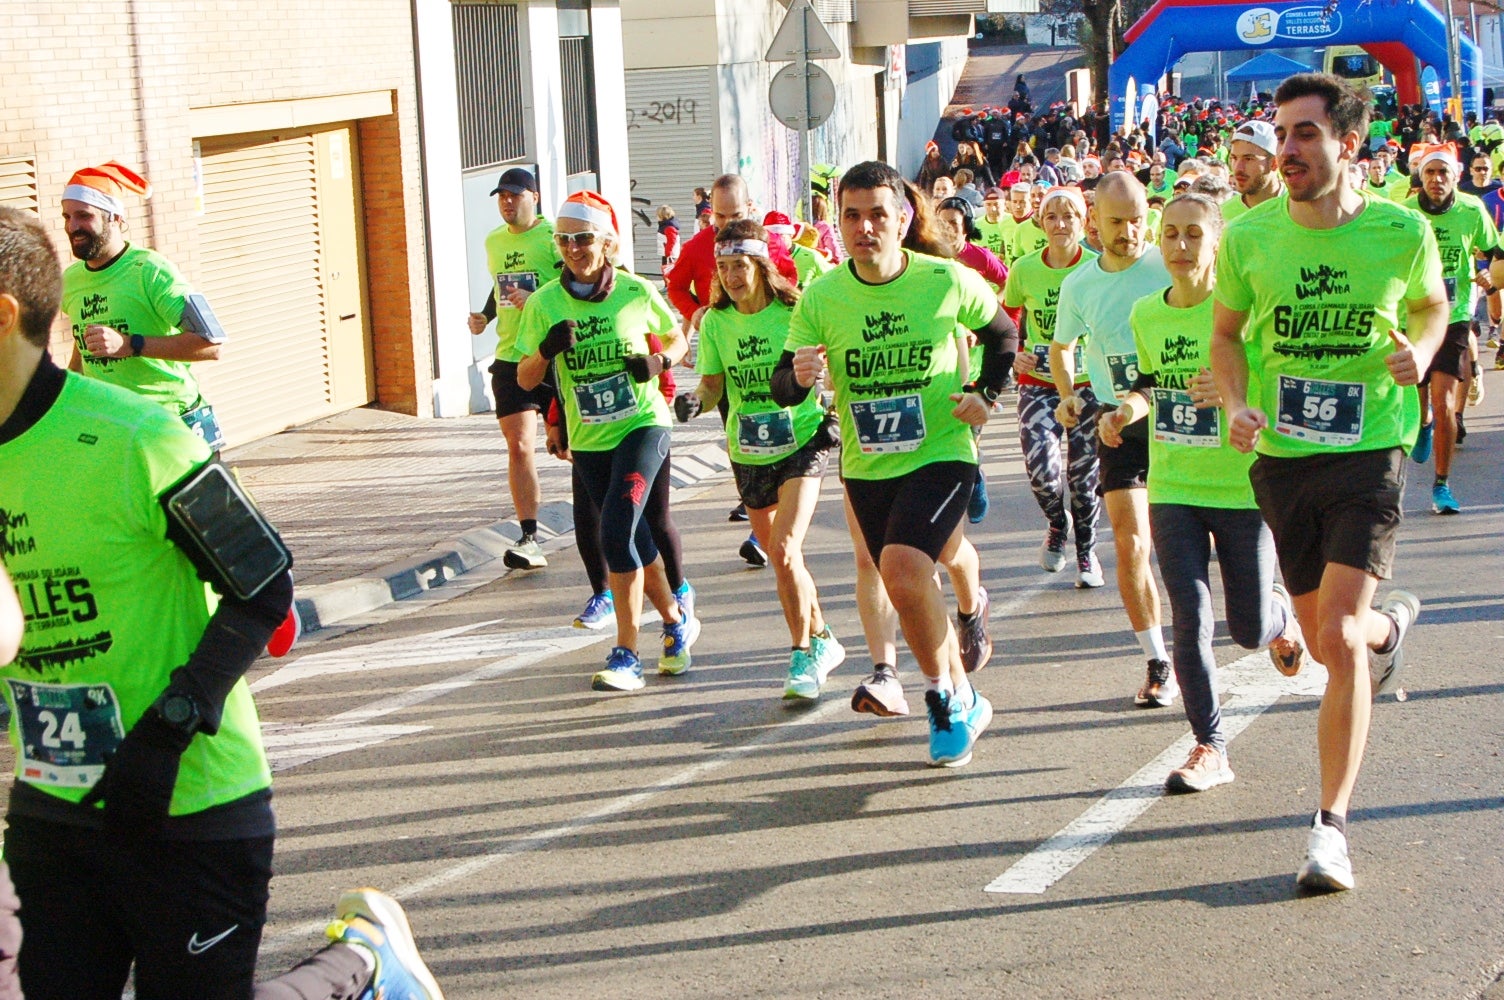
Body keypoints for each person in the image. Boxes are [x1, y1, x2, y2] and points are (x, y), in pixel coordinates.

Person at [0, 207, 443, 999]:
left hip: (189, 798)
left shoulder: (135, 436)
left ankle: (365, 968)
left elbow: (265, 584)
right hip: (52, 805)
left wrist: (169, 728)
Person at [1211, 73, 1444, 891]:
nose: (1287, 149)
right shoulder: (1248, 237)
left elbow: (1433, 306)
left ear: (1349, 143)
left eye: (1305, 134)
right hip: (1283, 454)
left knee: (1335, 638)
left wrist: (1423, 350)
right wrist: (1236, 403)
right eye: (1282, 134)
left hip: (1371, 446)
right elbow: (1227, 334)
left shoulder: (1401, 230)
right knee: (1323, 640)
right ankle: (1390, 632)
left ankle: (1330, 829)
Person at [772, 160, 1018, 767]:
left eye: (877, 215)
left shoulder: (944, 279)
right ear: (838, 223)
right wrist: (798, 377)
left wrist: (985, 394)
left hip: (942, 450)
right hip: (868, 463)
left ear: (903, 219)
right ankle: (965, 695)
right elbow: (784, 386)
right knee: (910, 587)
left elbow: (1003, 335)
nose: (864, 228)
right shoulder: (824, 296)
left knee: (904, 571)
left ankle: (940, 699)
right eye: (851, 216)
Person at [1100, 193, 1307, 794]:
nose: (1181, 245)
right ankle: (1210, 745)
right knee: (1189, 618)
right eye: (1171, 233)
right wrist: (1124, 413)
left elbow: (1277, 382)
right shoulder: (1146, 312)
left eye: (1194, 234)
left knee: (1248, 629)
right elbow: (1149, 383)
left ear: (1217, 242)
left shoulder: (1242, 313)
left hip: (1241, 487)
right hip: (1174, 487)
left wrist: (1234, 394)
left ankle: (1280, 616)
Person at [517, 192, 700, 691]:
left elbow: (678, 339)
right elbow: (526, 377)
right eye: (564, 240)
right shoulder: (544, 302)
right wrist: (546, 349)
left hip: (642, 423)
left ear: (607, 243)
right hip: (590, 436)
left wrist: (658, 362)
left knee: (615, 533)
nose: (574, 248)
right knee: (634, 540)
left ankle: (626, 654)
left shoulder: (636, 291)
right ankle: (674, 621)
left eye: (583, 238)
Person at [677, 220, 844, 700]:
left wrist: (833, 407)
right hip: (748, 449)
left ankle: (801, 655)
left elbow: (833, 361)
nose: (731, 277)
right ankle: (823, 636)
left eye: (740, 266)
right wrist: (695, 402)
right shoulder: (715, 322)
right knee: (783, 559)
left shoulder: (794, 311)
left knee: (786, 550)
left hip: (802, 440)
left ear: (761, 265)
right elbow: (713, 385)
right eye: (723, 267)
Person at [1050, 172, 1175, 707]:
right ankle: (1158, 660)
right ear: (1094, 224)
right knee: (1131, 542)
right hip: (1117, 422)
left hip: (1179, 414)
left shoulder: (1170, 264)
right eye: (1117, 222)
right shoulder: (1080, 284)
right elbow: (1061, 347)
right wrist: (1068, 394)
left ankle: (1270, 604)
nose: (1129, 232)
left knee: (1199, 541)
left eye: (1137, 220)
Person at [59, 161, 228, 447]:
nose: (72, 226)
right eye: (67, 216)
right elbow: (85, 345)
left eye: (84, 215)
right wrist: (67, 394)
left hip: (172, 427)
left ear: (114, 217)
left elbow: (212, 345)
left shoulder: (151, 271)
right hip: (115, 430)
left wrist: (130, 344)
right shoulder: (71, 280)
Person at [1002, 186, 1103, 583]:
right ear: (1040, 222)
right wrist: (1015, 351)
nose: (1061, 224)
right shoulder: (1025, 268)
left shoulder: (1097, 266)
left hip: (1088, 383)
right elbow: (1006, 318)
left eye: (1069, 216)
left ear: (1084, 221)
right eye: (1052, 217)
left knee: (1083, 478)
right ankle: (1057, 523)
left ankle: (1087, 552)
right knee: (1042, 469)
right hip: (1039, 381)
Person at [467, 167, 563, 571]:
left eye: (515, 195)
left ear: (534, 198)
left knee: (569, 448)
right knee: (519, 445)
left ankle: (607, 512)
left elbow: (573, 284)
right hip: (510, 356)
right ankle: (529, 537)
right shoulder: (494, 241)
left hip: (552, 356)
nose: (507, 202)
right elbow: (499, 289)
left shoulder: (555, 237)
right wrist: (485, 316)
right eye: (502, 197)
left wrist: (535, 295)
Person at [1401, 143, 1496, 514]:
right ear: (1421, 177)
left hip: (1453, 316)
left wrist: (1487, 274)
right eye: (1430, 172)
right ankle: (1422, 422)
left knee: (1444, 402)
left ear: (1456, 176)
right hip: (1412, 316)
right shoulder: (1404, 213)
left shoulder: (1472, 210)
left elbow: (1492, 250)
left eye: (1443, 172)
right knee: (1419, 397)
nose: (1436, 179)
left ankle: (1441, 485)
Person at [1222, 119, 1284, 223]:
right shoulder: (1222, 216)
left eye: (1248, 159)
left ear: (1274, 163)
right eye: (1234, 158)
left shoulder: (1301, 208)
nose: (1238, 168)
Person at [656, 204, 681, 275]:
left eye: (657, 216)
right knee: (666, 271)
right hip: (667, 254)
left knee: (668, 272)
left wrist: (668, 253)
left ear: (662, 216)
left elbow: (671, 241)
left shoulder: (668, 227)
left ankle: (669, 282)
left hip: (669, 255)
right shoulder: (665, 226)